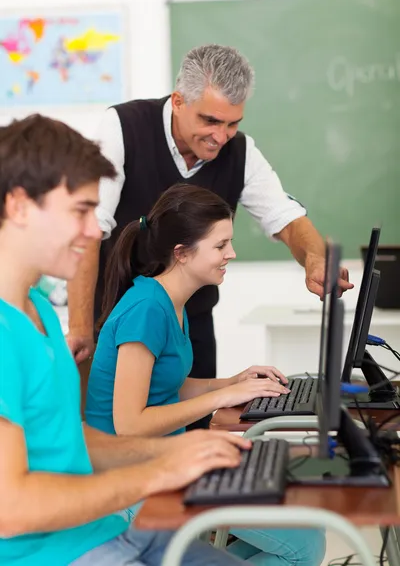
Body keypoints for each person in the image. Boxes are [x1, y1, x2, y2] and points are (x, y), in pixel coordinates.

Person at [0, 114, 255, 566]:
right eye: (79, 211)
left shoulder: (35, 308)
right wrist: (155, 473)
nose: (97, 230)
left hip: (103, 530)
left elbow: (73, 440)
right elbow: (10, 509)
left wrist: (177, 450)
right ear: (19, 206)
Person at [66, 44, 353, 430]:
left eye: (233, 124)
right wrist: (81, 327)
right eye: (211, 121)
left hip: (186, 313)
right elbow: (89, 230)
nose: (222, 136)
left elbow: (287, 219)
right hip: (120, 313)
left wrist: (315, 260)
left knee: (195, 427)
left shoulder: (241, 151)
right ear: (179, 100)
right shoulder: (123, 127)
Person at [85, 183, 326, 566]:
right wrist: (217, 399)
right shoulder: (146, 309)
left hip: (166, 461)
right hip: (133, 481)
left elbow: (166, 388)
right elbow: (128, 423)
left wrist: (231, 382)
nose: (231, 254)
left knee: (306, 537)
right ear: (182, 253)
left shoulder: (168, 302)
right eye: (220, 245)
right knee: (304, 547)